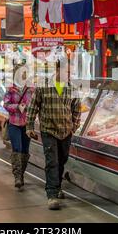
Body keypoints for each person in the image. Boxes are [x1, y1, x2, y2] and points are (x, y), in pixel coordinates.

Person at [26, 60, 81, 211]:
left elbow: (77, 110)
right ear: (57, 70)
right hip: (48, 130)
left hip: (66, 132)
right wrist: (29, 126)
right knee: (52, 161)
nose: (69, 75)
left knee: (62, 160)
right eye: (67, 72)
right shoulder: (43, 85)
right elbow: (32, 107)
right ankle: (52, 195)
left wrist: (73, 127)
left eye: (71, 72)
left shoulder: (73, 88)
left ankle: (56, 187)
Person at [3, 63, 34, 190]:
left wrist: (29, 108)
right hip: (14, 123)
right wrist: (17, 107)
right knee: (17, 148)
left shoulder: (31, 88)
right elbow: (5, 104)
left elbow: (35, 103)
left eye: (25, 72)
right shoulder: (10, 88)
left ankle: (21, 174)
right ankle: (17, 177)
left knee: (25, 150)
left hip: (27, 124)